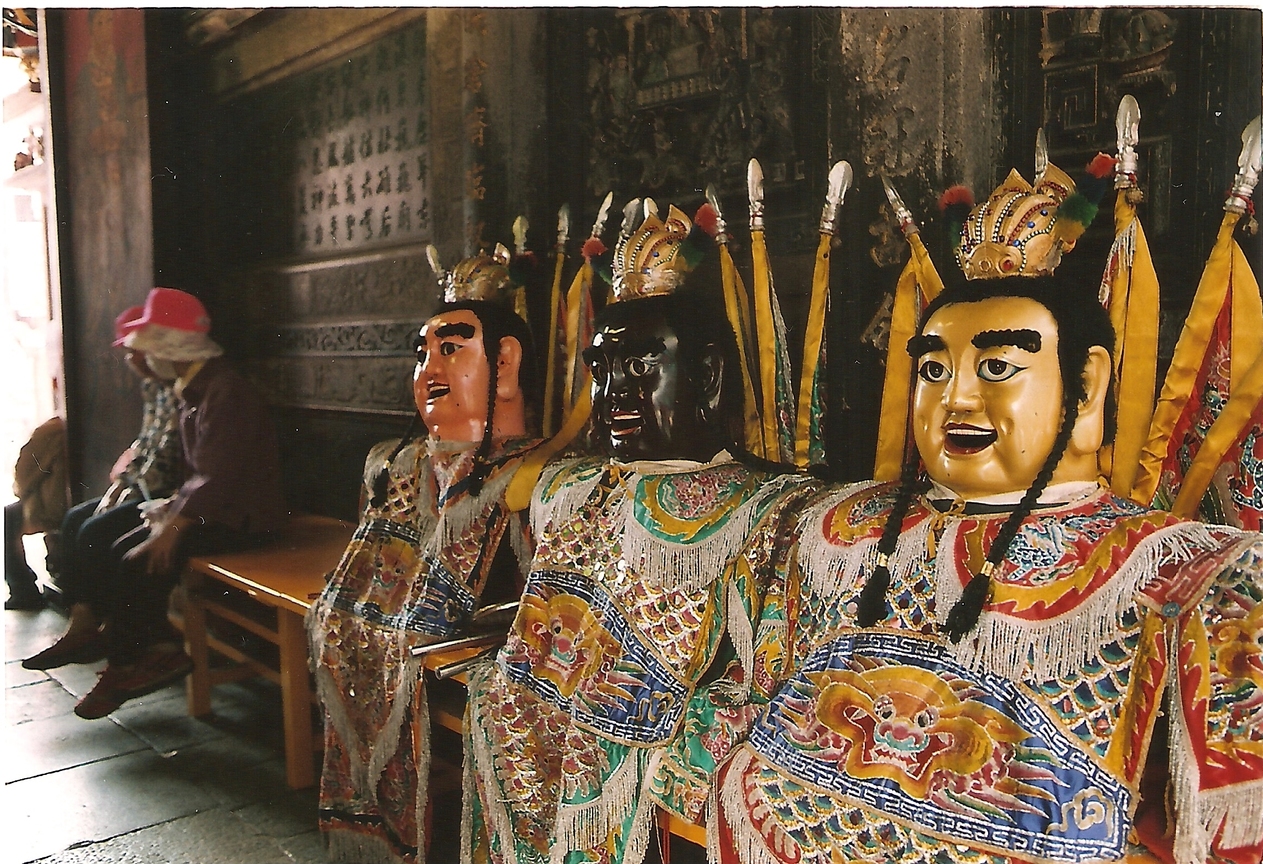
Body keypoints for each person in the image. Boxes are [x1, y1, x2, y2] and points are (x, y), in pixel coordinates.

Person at [713, 168, 1263, 864]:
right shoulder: (832, 531)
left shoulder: (1181, 569)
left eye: (997, 368)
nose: (957, 400)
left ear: (1086, 387)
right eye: (934, 371)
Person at [462, 202, 819, 864]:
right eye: (602, 371)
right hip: (559, 706)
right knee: (501, 698)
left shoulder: (771, 507)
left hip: (660, 738)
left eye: (640, 367)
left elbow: (766, 676)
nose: (614, 394)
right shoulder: (573, 488)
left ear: (707, 376)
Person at [307, 243, 544, 864]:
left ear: (506, 364)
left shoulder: (540, 473)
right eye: (421, 355)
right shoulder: (396, 461)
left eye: (451, 349)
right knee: (344, 623)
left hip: (476, 642)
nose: (429, 368)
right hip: (409, 632)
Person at [32, 287, 288, 719]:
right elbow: (204, 475)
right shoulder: (197, 387)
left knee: (139, 557)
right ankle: (144, 646)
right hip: (216, 508)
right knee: (114, 541)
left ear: (171, 350)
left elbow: (217, 476)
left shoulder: (224, 391)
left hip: (244, 519)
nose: (144, 360)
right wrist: (171, 509)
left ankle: (137, 661)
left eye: (149, 350)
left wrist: (173, 525)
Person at [19, 305, 181, 648]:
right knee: (76, 518)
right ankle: (83, 619)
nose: (131, 359)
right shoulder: (153, 387)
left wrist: (126, 487)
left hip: (165, 494)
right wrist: (122, 480)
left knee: (97, 530)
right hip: (143, 485)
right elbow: (146, 442)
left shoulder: (179, 389)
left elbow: (167, 456)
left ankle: (108, 626)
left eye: (135, 351)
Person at [5, 416, 68, 610]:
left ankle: (23, 590)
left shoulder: (51, 430)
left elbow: (24, 474)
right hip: (67, 502)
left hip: (52, 507)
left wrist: (24, 493)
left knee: (6, 520)